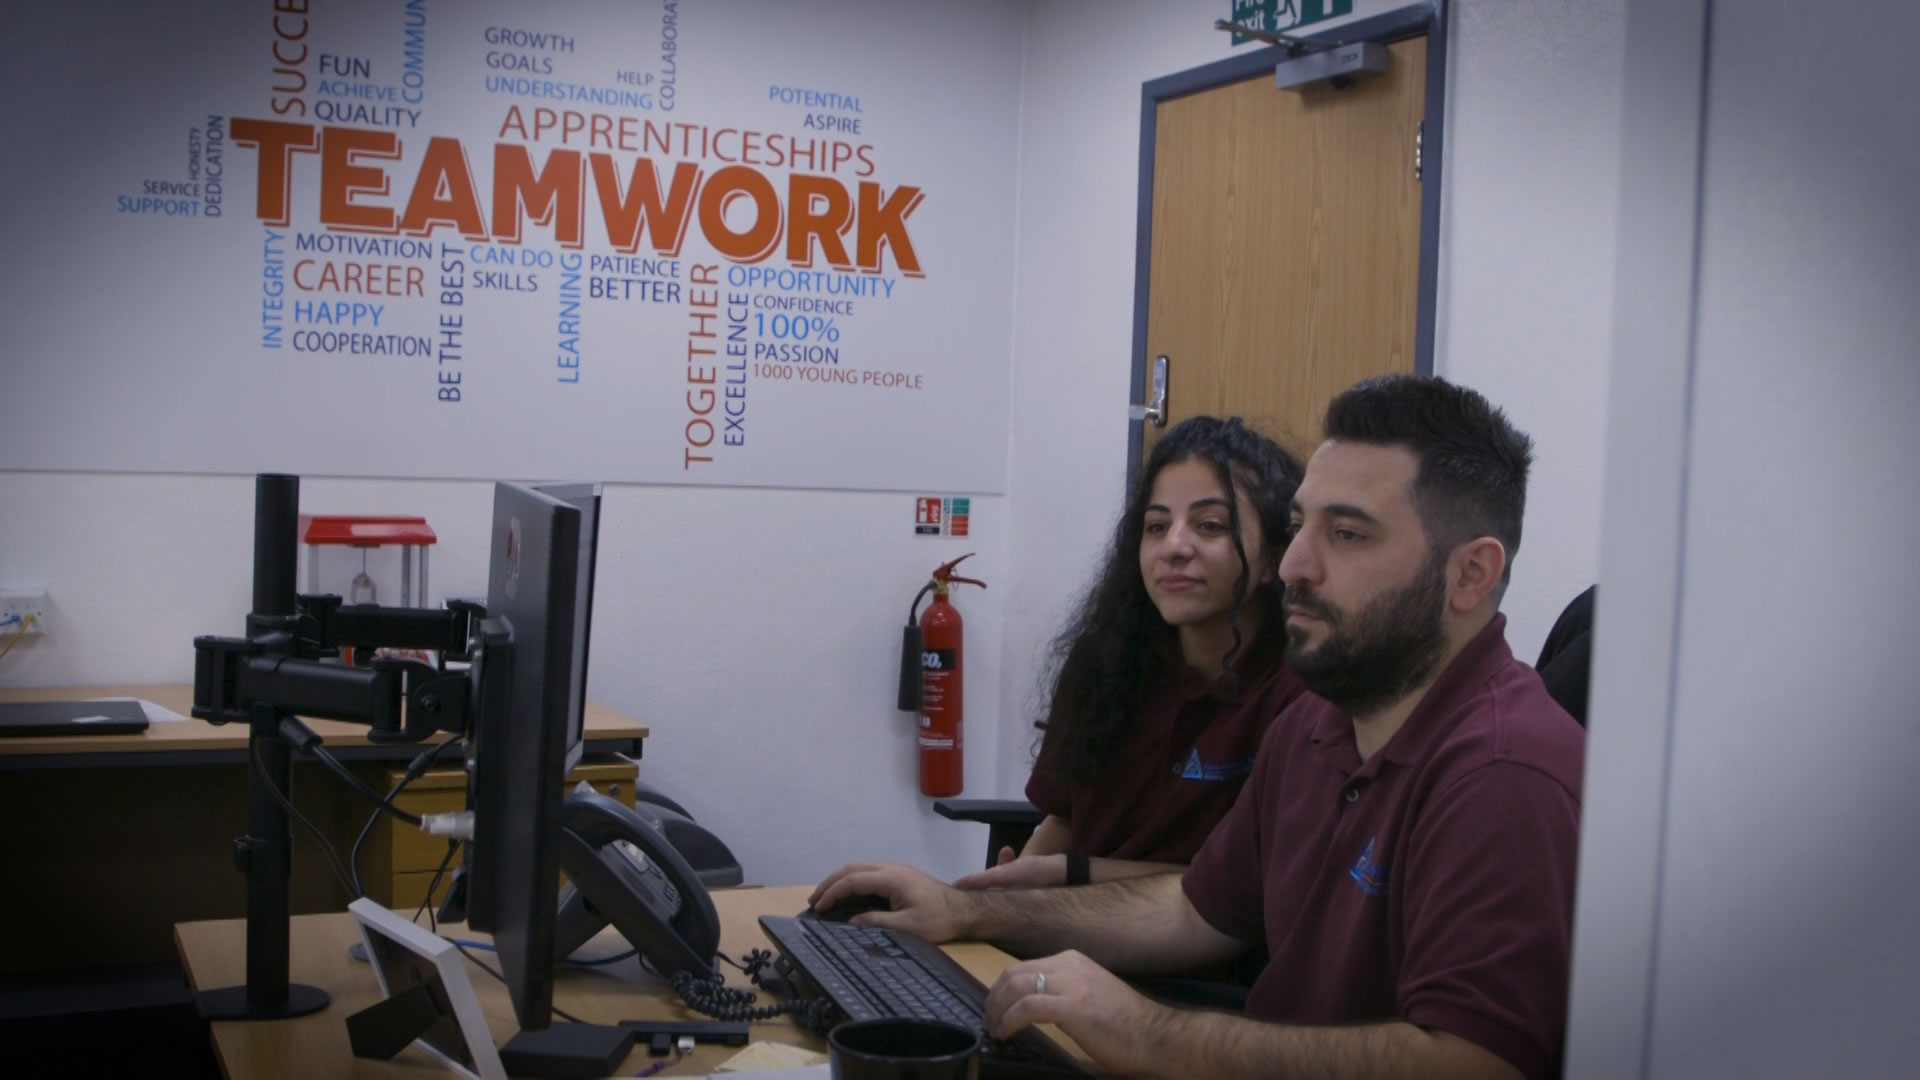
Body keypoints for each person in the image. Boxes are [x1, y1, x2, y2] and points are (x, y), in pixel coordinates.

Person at [813, 374, 1585, 1080]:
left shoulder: (1504, 773)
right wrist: (969, 910)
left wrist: (1146, 1030)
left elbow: (1473, 1064)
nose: (1293, 567)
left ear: (1471, 574)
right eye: (1299, 526)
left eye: (1346, 535)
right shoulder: (1317, 726)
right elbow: (1192, 910)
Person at [955, 415, 1308, 891]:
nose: (1174, 547)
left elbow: (1250, 890)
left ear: (1273, 558)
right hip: (1065, 932)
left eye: (1209, 525)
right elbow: (1063, 820)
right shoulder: (1107, 661)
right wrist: (996, 898)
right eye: (1157, 526)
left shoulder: (1302, 692)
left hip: (1204, 957)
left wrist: (1073, 873)